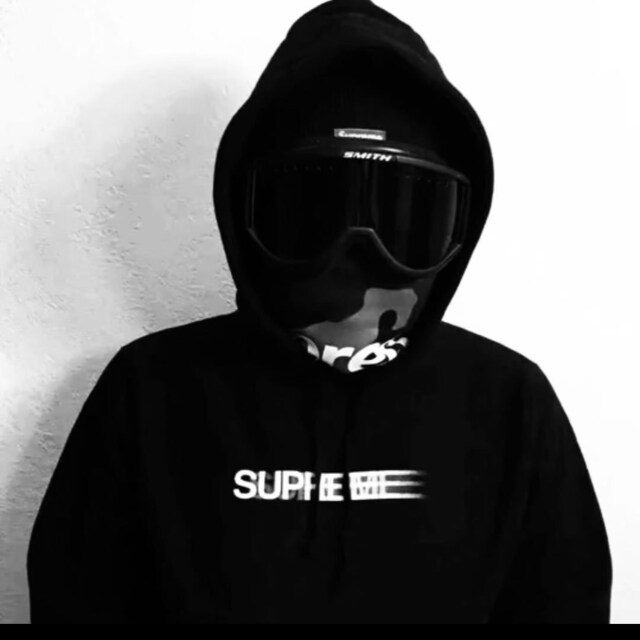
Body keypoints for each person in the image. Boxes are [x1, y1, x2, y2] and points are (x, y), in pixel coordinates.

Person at [26, 0, 613, 624]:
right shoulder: (150, 392)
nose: (355, 256)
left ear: (460, 229)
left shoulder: (508, 403)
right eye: (310, 213)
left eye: (407, 218)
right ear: (240, 212)